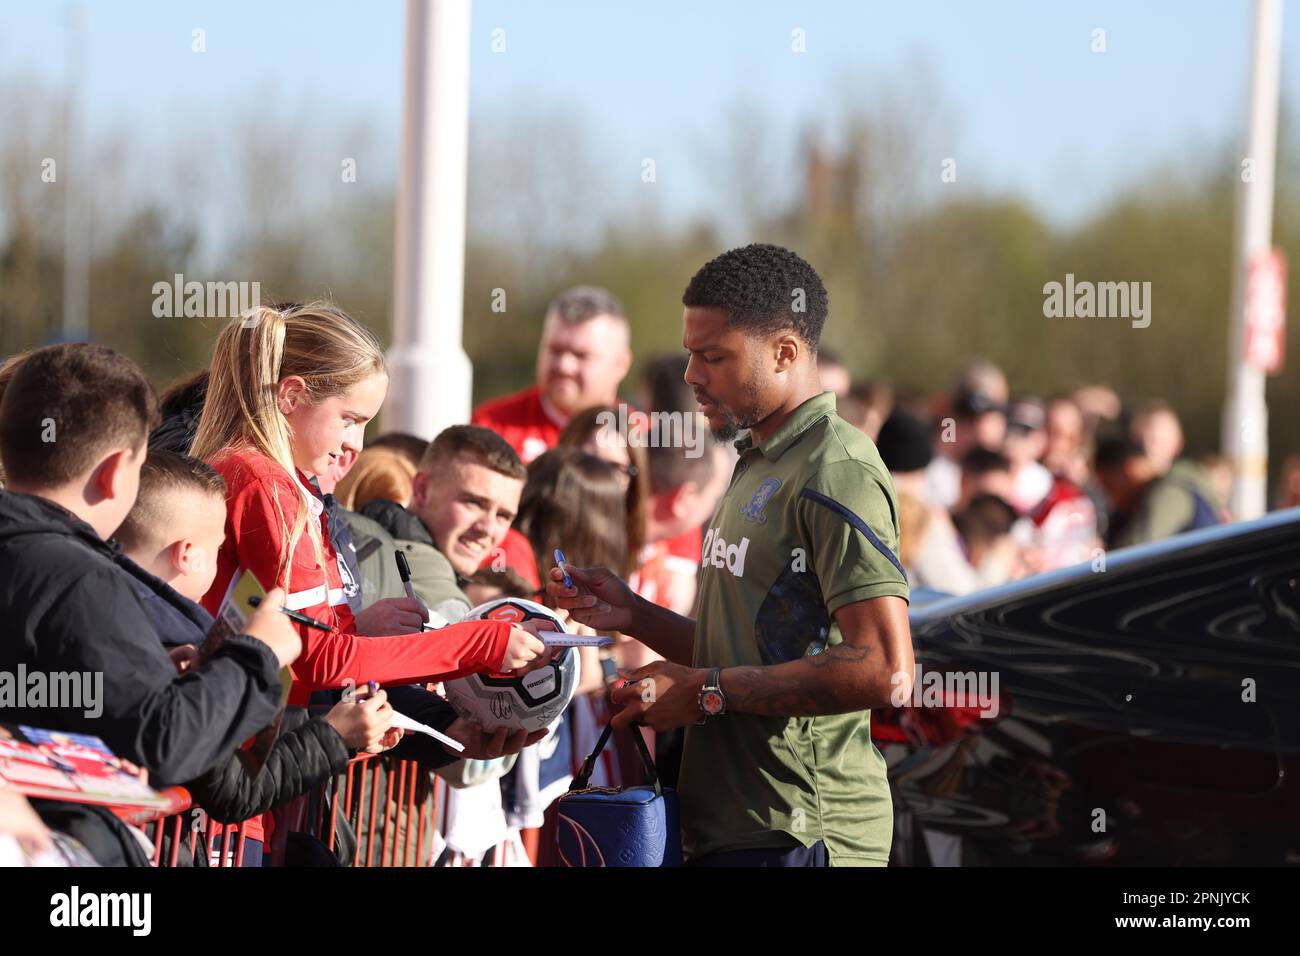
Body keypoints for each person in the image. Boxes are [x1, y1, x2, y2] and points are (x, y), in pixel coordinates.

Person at [549, 244, 914, 867]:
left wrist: (707, 692)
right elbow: (741, 655)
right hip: (733, 829)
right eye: (691, 352)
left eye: (714, 356)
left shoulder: (837, 468)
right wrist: (631, 612)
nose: (691, 374)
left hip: (804, 835)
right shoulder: (757, 459)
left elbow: (886, 671)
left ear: (786, 353)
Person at [190, 303, 550, 707]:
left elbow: (312, 648)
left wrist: (359, 629)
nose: (355, 444)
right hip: (235, 737)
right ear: (291, 395)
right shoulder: (265, 482)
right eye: (349, 419)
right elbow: (321, 663)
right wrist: (478, 643)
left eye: (365, 425)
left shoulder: (273, 479)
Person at [0, 343, 299, 784]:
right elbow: (161, 745)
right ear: (116, 471)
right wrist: (258, 654)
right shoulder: (84, 579)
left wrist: (151, 670)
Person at [112, 449, 404, 865]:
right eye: (219, 551)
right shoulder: (163, 646)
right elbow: (234, 787)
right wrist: (335, 736)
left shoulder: (93, 615)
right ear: (188, 554)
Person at [472, 286, 633, 464]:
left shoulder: (644, 439)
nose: (564, 366)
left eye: (581, 355)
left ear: (621, 364)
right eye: (555, 351)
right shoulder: (492, 427)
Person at [1094, 436, 1221, 549]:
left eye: (1109, 486)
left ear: (1130, 469)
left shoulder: (1170, 494)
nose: (1111, 498)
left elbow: (1135, 552)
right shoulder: (1183, 484)